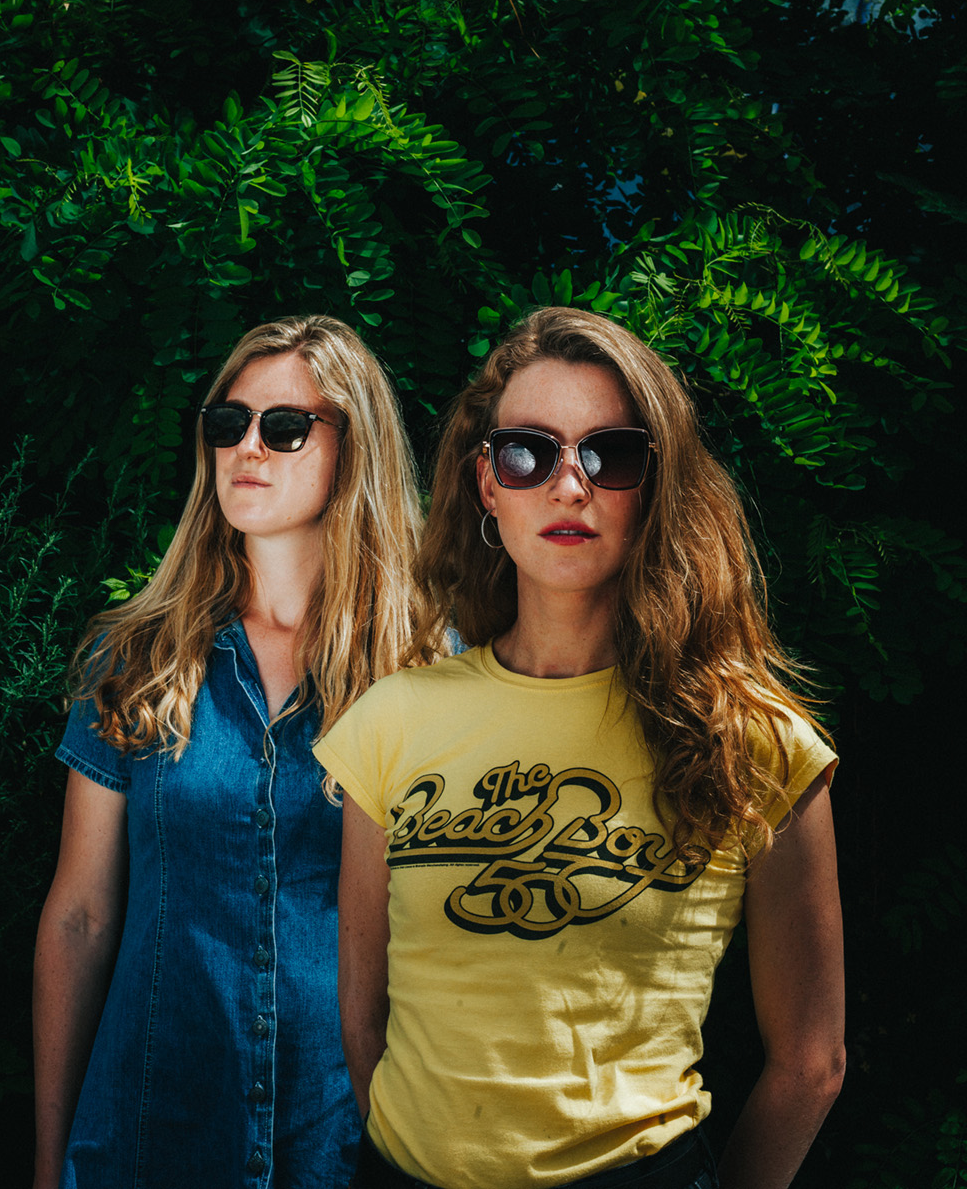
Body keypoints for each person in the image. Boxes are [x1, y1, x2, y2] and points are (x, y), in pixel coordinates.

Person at [313, 306, 845, 1189]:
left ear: (656, 485)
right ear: (487, 484)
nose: (569, 485)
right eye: (527, 452)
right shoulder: (391, 722)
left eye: (611, 454)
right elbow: (364, 1022)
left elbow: (811, 1063)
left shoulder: (752, 744)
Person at [33, 314, 438, 1189]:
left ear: (354, 449)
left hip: (347, 1144)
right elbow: (80, 918)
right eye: (228, 422)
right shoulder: (135, 655)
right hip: (149, 1134)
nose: (247, 447)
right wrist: (45, 1160)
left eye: (285, 426)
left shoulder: (424, 670)